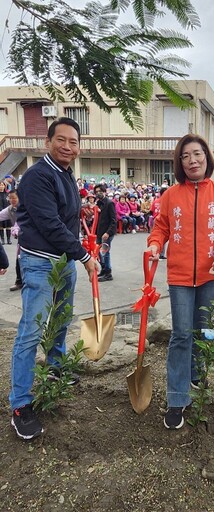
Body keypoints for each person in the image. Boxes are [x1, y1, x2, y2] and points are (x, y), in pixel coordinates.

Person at [9, 117, 98, 440]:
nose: (67, 147)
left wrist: (79, 214)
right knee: (31, 333)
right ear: (48, 142)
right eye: (61, 140)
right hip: (40, 264)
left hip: (62, 263)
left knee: (60, 322)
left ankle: (56, 370)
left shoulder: (64, 174)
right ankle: (20, 404)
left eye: (73, 142)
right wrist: (85, 256)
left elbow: (62, 216)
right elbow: (49, 224)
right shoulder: (36, 176)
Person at [147, 133, 214, 430]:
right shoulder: (171, 195)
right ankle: (177, 398)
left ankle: (197, 373)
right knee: (181, 334)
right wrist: (153, 244)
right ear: (179, 162)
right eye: (185, 156)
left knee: (205, 330)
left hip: (213, 274)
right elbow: (161, 226)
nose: (192, 160)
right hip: (181, 276)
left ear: (207, 157)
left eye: (197, 154)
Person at [94, 183, 117, 282]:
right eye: (96, 192)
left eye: (100, 191)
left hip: (107, 233)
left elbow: (113, 220)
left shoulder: (109, 203)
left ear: (104, 192)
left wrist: (108, 233)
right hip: (99, 232)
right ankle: (103, 268)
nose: (98, 193)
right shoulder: (98, 203)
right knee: (97, 252)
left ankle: (108, 273)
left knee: (105, 253)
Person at [0, 189, 22, 291]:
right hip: (21, 239)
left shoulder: (26, 207)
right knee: (19, 259)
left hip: (33, 238)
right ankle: (19, 282)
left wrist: (16, 229)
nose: (12, 200)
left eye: (14, 198)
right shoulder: (10, 210)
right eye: (10, 198)